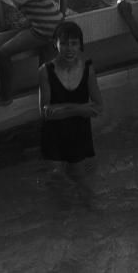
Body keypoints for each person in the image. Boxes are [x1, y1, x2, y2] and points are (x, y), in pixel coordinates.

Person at [38, 20, 102, 186]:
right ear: (55, 44)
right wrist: (82, 109)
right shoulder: (45, 71)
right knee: (58, 188)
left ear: (80, 45)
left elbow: (99, 108)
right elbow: (45, 115)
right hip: (54, 138)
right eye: (64, 43)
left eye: (74, 43)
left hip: (80, 136)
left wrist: (64, 108)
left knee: (85, 189)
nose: (69, 49)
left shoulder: (87, 68)